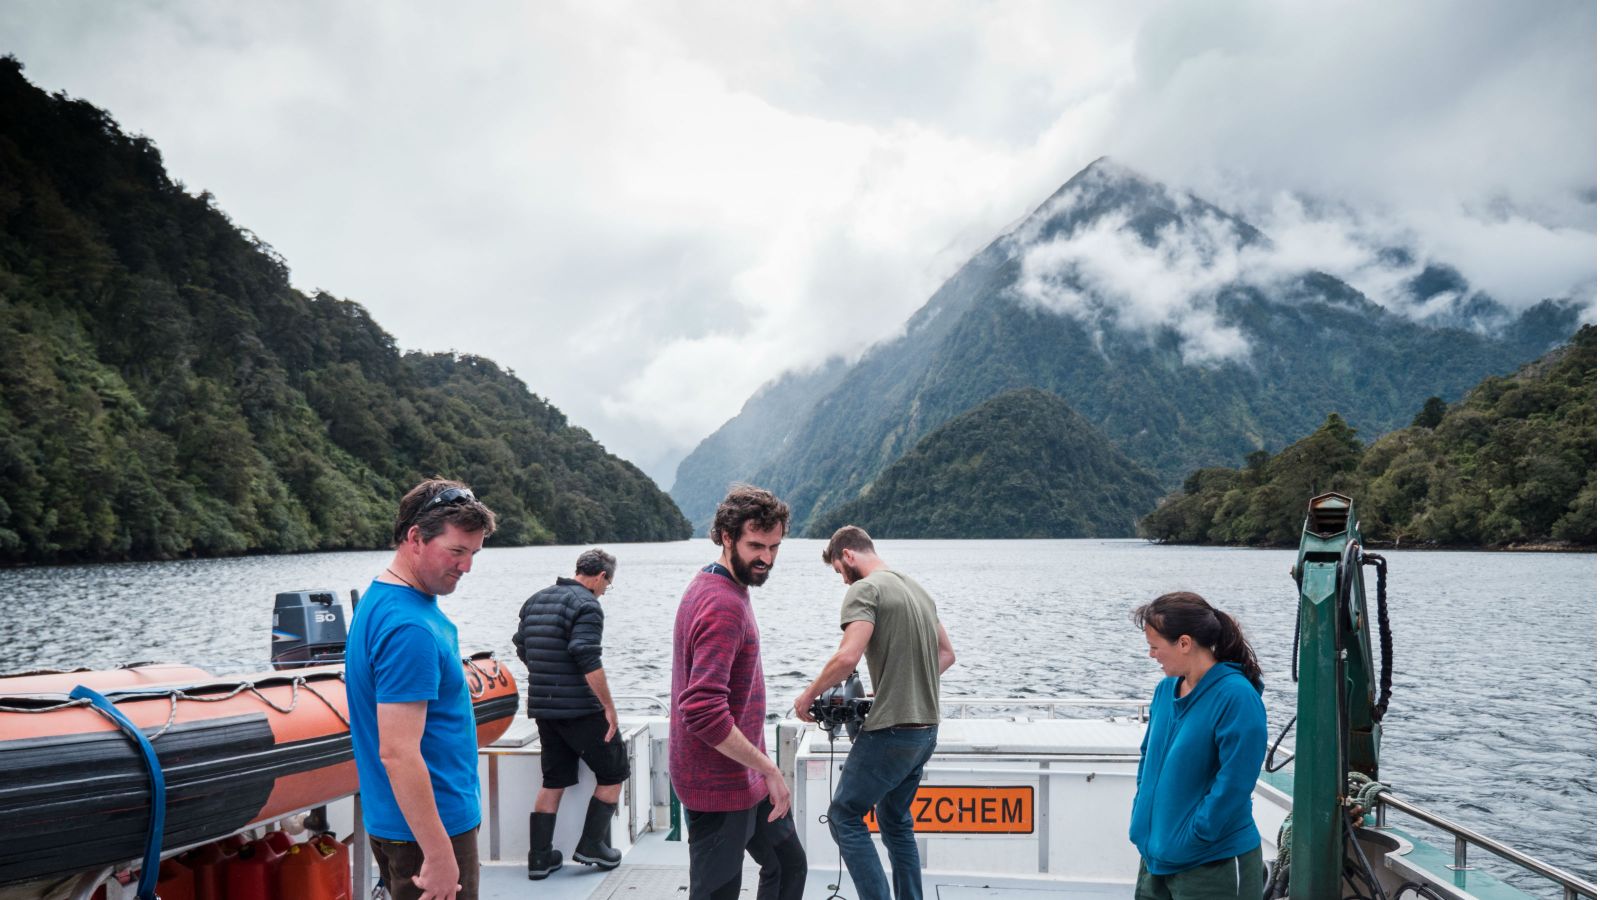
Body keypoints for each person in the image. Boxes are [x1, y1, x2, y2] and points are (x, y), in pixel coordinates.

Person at [345, 479, 497, 900]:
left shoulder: (383, 600)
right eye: (456, 551)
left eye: (473, 554)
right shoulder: (409, 627)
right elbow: (398, 752)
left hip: (401, 823)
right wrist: (440, 853)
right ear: (415, 538)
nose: (466, 566)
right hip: (429, 832)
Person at [793, 525, 956, 900]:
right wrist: (899, 686)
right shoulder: (917, 589)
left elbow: (847, 656)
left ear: (848, 555)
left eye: (838, 571)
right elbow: (946, 654)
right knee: (895, 822)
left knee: (844, 816)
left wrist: (807, 697)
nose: (841, 580)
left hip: (892, 732)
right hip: (926, 731)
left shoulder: (865, 589)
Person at [670, 485, 807, 900]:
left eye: (774, 546)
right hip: (716, 784)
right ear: (727, 537)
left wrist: (761, 772)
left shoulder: (727, 585)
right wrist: (769, 768)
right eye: (755, 545)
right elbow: (703, 710)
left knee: (787, 866)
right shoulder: (722, 603)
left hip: (746, 775)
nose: (766, 557)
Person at [1129, 591, 1268, 900]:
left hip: (1210, 863)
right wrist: (1142, 817)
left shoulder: (1236, 697)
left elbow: (1235, 782)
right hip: (1156, 858)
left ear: (1184, 643)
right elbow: (1146, 758)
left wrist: (1198, 834)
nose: (1152, 655)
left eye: (1155, 647)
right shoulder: (1165, 691)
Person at [512, 548, 626, 879]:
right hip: (580, 709)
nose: (606, 591)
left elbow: (522, 646)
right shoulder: (587, 605)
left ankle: (540, 858)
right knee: (614, 771)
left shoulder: (535, 600)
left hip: (544, 709)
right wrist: (608, 706)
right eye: (609, 584)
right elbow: (585, 655)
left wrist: (548, 675)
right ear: (601, 576)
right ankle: (592, 845)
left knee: (554, 779)